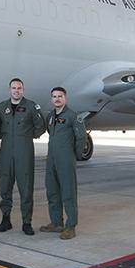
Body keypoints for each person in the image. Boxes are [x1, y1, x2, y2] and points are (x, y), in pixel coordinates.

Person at [0, 78, 46, 235]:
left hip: (25, 152)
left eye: (19, 88)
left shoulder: (31, 106)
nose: (16, 90)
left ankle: (26, 222)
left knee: (26, 188)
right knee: (5, 187)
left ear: (23, 90)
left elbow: (40, 127)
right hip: (6, 153)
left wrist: (26, 136)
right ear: (9, 90)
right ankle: (5, 219)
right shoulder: (2, 107)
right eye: (14, 88)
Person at [41, 87, 86, 240]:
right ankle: (56, 223)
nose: (57, 99)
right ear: (52, 99)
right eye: (54, 96)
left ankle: (70, 226)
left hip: (66, 159)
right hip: (51, 159)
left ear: (65, 98)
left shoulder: (73, 116)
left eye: (60, 96)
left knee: (68, 193)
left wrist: (75, 155)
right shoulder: (51, 116)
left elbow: (81, 138)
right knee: (52, 192)